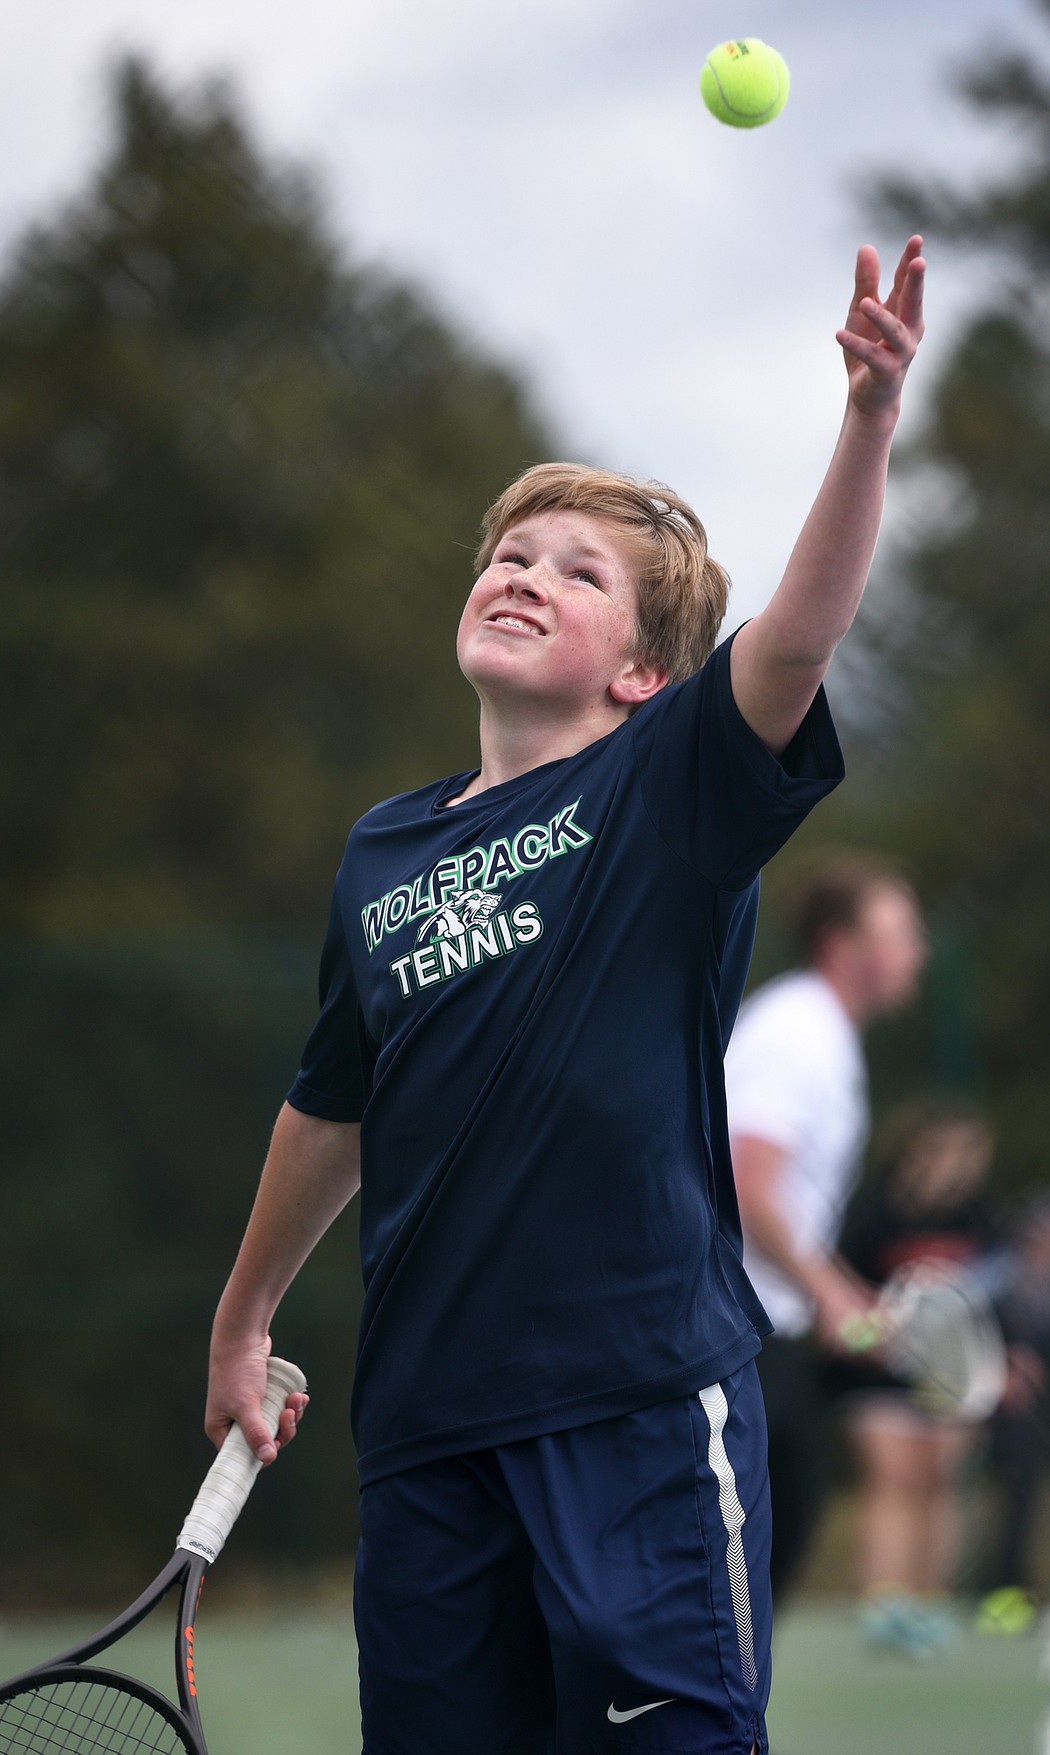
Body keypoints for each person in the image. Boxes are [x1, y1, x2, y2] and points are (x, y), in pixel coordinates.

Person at [206, 236, 927, 1755]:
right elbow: (334, 1100)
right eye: (509, 554)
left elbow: (794, 637)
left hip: (639, 1407)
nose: (522, 572)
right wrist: (243, 1309)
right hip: (422, 1435)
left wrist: (864, 419)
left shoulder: (664, 791)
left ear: (641, 674)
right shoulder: (382, 852)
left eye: (575, 570)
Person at [725, 855, 928, 1607]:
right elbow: (749, 1181)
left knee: (779, 1525)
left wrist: (832, 1295)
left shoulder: (823, 1034)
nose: (918, 950)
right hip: (727, 1329)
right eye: (900, 932)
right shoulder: (797, 1031)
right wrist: (836, 1296)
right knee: (759, 1535)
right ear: (845, 946)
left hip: (758, 1327)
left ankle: (713, 1718)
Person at [832, 1098, 1000, 1656]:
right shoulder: (874, 1213)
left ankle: (930, 1604)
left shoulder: (979, 1219)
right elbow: (840, 1295)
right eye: (949, 1152)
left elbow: (993, 1303)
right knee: (892, 1479)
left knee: (939, 1482)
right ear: (918, 1151)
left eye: (970, 1155)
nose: (960, 1166)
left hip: (953, 1376)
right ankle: (884, 1605)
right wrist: (866, 1337)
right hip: (879, 1375)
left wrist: (1008, 1358)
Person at [976, 1188, 1050, 1635]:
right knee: (1018, 1494)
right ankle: (1006, 1591)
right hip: (1010, 1410)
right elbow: (965, 1321)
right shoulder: (998, 1277)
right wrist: (1004, 1361)